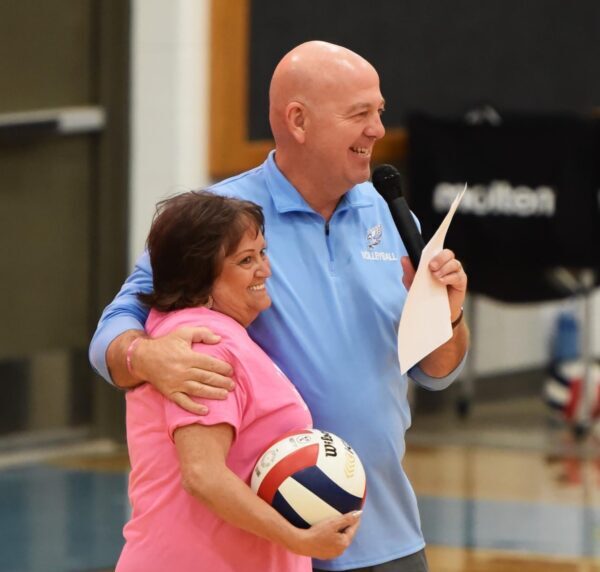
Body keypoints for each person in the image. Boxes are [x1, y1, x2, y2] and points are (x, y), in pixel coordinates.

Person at [91, 41, 469, 572]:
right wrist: (147, 358)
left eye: (379, 112)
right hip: (273, 538)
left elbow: (437, 372)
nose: (378, 131)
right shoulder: (223, 225)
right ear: (298, 121)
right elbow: (115, 326)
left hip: (387, 532)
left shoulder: (387, 211)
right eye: (359, 114)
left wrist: (449, 314)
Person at [115, 191, 361, 572]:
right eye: (246, 260)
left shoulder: (218, 335)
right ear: (199, 276)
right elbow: (203, 475)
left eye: (262, 253)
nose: (264, 269)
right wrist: (298, 539)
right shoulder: (204, 344)